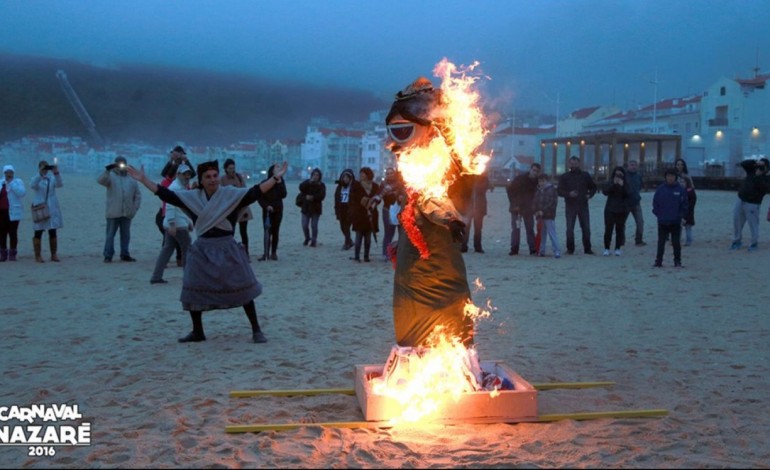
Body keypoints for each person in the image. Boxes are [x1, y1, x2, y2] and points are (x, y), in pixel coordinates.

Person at [127, 159, 288, 344]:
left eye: (214, 176)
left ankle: (256, 329)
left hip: (227, 248)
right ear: (201, 180)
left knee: (244, 289)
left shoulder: (230, 195)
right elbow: (166, 195)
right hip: (202, 248)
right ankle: (197, 331)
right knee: (193, 288)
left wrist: (276, 178)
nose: (212, 180)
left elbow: (255, 192)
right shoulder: (192, 197)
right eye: (207, 177)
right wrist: (144, 180)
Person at [384, 76, 474, 348]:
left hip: (436, 259)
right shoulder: (417, 168)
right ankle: (416, 357)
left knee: (449, 310)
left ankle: (453, 357)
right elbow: (428, 201)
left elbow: (434, 201)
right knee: (413, 312)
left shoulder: (432, 168)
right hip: (414, 263)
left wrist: (450, 220)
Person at [150, 164, 194, 284]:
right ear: (178, 174)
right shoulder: (175, 187)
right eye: (185, 174)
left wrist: (188, 221)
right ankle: (188, 277)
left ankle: (156, 276)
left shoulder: (182, 187)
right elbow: (169, 206)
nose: (187, 176)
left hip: (178, 223)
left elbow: (183, 208)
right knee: (187, 249)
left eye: (188, 174)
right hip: (177, 225)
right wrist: (172, 224)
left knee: (167, 249)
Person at [97, 156, 142, 262]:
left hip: (127, 212)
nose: (122, 166)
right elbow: (101, 181)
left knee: (126, 235)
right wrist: (107, 170)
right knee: (110, 235)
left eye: (123, 164)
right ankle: (108, 255)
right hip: (113, 211)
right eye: (119, 164)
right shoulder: (111, 176)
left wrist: (134, 209)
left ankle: (125, 254)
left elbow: (138, 195)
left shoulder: (131, 179)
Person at [557, 156, 597, 255]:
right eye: (571, 163)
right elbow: (559, 191)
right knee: (570, 228)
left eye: (575, 163)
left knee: (586, 228)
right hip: (570, 205)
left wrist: (589, 195)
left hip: (583, 205)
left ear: (579, 164)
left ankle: (587, 248)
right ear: (569, 164)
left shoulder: (585, 175)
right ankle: (570, 249)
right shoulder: (564, 176)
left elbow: (593, 187)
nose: (573, 165)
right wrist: (569, 194)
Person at [730, 157, 770, 252]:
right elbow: (743, 163)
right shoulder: (751, 170)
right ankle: (737, 241)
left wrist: (759, 176)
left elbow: (765, 189)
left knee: (753, 224)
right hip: (741, 199)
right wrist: (755, 162)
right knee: (737, 221)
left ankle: (754, 243)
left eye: (763, 166)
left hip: (753, 203)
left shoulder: (766, 178)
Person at [652, 168, 688, 268]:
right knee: (661, 242)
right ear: (666, 177)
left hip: (675, 221)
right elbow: (655, 203)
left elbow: (684, 205)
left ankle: (677, 261)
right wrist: (659, 214)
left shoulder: (680, 189)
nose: (670, 178)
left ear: (675, 177)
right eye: (668, 176)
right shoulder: (661, 189)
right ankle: (658, 261)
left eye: (672, 176)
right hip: (663, 220)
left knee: (676, 243)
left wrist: (681, 216)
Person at [30, 160, 63, 263]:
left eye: (46, 168)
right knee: (38, 231)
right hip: (40, 207)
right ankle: (38, 255)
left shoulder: (51, 178)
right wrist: (40, 174)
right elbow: (33, 185)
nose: (45, 170)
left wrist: (56, 172)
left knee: (52, 230)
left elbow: (60, 184)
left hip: (51, 206)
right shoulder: (36, 178)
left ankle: (54, 254)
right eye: (43, 168)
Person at [220, 158, 253, 256]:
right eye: (230, 168)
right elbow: (221, 194)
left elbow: (244, 190)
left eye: (233, 168)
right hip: (230, 209)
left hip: (242, 208)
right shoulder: (222, 179)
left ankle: (246, 253)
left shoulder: (239, 177)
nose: (232, 170)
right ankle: (229, 252)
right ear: (226, 169)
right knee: (230, 232)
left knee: (244, 232)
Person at [506, 163, 541, 255]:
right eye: (533, 170)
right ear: (530, 169)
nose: (535, 172)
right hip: (516, 208)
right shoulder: (520, 179)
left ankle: (532, 248)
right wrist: (514, 204)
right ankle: (514, 248)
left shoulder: (538, 182)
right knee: (516, 229)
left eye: (537, 171)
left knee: (530, 228)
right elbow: (510, 191)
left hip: (528, 209)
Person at [349, 167, 381, 262]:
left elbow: (378, 198)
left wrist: (372, 203)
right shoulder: (356, 185)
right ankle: (357, 256)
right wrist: (363, 201)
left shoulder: (375, 186)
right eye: (361, 174)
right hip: (359, 214)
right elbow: (353, 198)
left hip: (371, 213)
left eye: (363, 174)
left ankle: (366, 256)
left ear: (368, 175)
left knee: (368, 237)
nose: (361, 176)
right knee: (358, 236)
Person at [256, 163, 287, 261]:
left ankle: (273, 252)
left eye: (279, 168)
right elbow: (260, 197)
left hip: (278, 210)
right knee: (267, 232)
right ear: (272, 171)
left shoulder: (281, 182)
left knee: (275, 232)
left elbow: (284, 194)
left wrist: (280, 183)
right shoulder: (265, 182)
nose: (278, 169)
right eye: (276, 168)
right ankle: (265, 253)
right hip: (267, 211)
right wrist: (266, 206)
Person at [601, 166, 632, 256]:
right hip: (610, 209)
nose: (618, 176)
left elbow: (629, 194)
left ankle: (617, 248)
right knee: (608, 230)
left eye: (620, 174)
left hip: (622, 209)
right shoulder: (610, 181)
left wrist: (622, 185)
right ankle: (606, 248)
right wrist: (613, 184)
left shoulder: (626, 183)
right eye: (616, 174)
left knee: (619, 229)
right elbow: (605, 192)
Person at [531, 173, 561, 258]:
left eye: (543, 181)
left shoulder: (552, 190)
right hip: (539, 216)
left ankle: (557, 251)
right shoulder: (538, 190)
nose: (541, 183)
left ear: (546, 181)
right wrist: (535, 211)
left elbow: (552, 203)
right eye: (540, 181)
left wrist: (542, 211)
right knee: (541, 234)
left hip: (549, 215)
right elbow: (534, 201)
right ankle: (542, 250)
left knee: (552, 233)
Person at [0, 165, 26, 262]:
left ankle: (12, 253)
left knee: (13, 233)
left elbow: (22, 193)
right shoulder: (0, 182)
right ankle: (3, 253)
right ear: (4, 173)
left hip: (14, 211)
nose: (8, 174)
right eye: (7, 172)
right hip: (1, 212)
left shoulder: (18, 182)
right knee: (2, 233)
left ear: (13, 173)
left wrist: (11, 184)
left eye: (10, 172)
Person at [462, 171, 491, 254]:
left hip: (479, 207)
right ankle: (464, 246)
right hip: (468, 207)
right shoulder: (468, 178)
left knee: (478, 229)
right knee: (466, 228)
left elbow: (485, 187)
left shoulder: (483, 178)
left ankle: (477, 246)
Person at [379, 167, 405, 260]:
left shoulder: (400, 184)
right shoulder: (383, 185)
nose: (390, 175)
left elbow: (404, 195)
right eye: (388, 173)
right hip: (388, 210)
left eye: (391, 173)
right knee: (389, 233)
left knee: (402, 233)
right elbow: (379, 196)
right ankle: (386, 254)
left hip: (399, 210)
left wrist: (400, 197)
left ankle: (400, 253)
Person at [298, 168, 326, 247]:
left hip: (316, 208)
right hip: (306, 207)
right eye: (314, 175)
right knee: (304, 225)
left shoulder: (321, 185)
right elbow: (301, 188)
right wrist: (308, 182)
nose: (315, 176)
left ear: (319, 176)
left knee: (314, 225)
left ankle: (314, 240)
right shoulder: (307, 182)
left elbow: (322, 196)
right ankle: (307, 238)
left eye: (317, 175)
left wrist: (313, 197)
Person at [675, 158, 697, 246]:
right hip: (677, 201)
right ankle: (676, 239)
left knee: (688, 224)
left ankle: (689, 240)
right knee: (676, 224)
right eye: (678, 164)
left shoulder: (687, 176)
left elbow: (692, 190)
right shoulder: (673, 175)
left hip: (687, 201)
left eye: (681, 164)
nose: (680, 166)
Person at [625, 159, 646, 246]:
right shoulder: (624, 176)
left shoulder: (638, 176)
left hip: (636, 202)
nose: (633, 166)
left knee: (640, 222)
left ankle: (639, 239)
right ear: (628, 166)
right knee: (622, 223)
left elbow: (640, 186)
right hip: (625, 203)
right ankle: (621, 240)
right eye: (631, 165)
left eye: (635, 165)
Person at [333, 169, 355, 251]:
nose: (345, 179)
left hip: (350, 209)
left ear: (350, 178)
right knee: (342, 227)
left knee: (347, 227)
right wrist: (336, 210)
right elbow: (336, 199)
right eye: (344, 177)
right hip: (341, 208)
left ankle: (347, 243)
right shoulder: (339, 187)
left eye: (347, 177)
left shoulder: (353, 187)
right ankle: (350, 241)